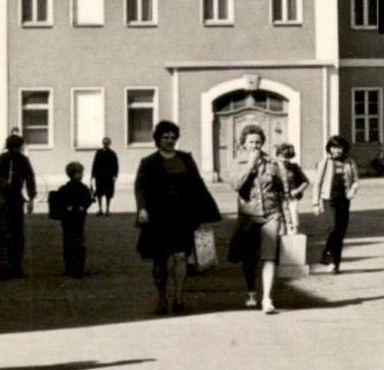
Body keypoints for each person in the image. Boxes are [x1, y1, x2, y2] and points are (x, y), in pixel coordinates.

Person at [134, 120, 220, 315]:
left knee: (181, 256)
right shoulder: (148, 162)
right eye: (165, 137)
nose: (170, 141)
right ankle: (162, 297)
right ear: (158, 139)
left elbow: (198, 186)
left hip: (182, 215)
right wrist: (142, 209)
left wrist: (204, 212)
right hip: (157, 217)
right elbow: (140, 188)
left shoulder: (186, 159)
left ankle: (179, 297)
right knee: (160, 261)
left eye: (173, 137)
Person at [227, 125, 287, 313]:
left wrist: (286, 218)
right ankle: (251, 290)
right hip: (249, 215)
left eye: (258, 142)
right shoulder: (236, 163)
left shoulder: (272, 163)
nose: (255, 145)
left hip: (271, 213)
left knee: (270, 257)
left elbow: (280, 190)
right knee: (249, 258)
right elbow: (236, 184)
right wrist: (250, 165)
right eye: (251, 142)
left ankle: (267, 298)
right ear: (244, 144)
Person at [0, 133, 39, 280]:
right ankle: (16, 266)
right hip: (16, 200)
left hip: (2, 200)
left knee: (4, 233)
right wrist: (31, 199)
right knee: (17, 233)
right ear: (20, 146)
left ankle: (3, 266)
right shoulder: (23, 160)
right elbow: (30, 180)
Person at [315, 135, 360, 272]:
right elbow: (318, 183)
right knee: (334, 227)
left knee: (341, 232)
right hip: (329, 199)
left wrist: (353, 190)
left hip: (344, 200)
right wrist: (315, 203)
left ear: (343, 148)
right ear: (329, 148)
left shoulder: (350, 162)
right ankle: (326, 252)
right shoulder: (325, 162)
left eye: (339, 147)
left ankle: (335, 264)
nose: (336, 150)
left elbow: (356, 180)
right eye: (334, 147)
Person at [49, 162, 93, 278]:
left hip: (68, 219)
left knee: (68, 242)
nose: (81, 175)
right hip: (78, 218)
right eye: (79, 173)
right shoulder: (83, 188)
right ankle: (78, 267)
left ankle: (70, 267)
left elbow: (59, 201)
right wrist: (82, 207)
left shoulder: (64, 188)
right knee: (78, 242)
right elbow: (88, 200)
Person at [275, 142, 309, 232]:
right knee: (280, 221)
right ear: (277, 156)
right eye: (281, 156)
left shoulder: (294, 167)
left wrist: (297, 190)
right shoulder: (273, 168)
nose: (283, 159)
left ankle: (294, 237)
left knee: (293, 218)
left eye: (286, 157)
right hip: (277, 199)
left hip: (291, 198)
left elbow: (306, 182)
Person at [90, 136, 119, 217]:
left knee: (108, 194)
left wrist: (115, 175)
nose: (105, 144)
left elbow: (116, 165)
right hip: (99, 176)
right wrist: (92, 175)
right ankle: (100, 209)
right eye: (104, 142)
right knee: (99, 193)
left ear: (109, 144)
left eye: (107, 142)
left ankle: (107, 209)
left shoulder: (112, 154)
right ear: (103, 143)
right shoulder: (98, 153)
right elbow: (95, 164)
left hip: (109, 177)